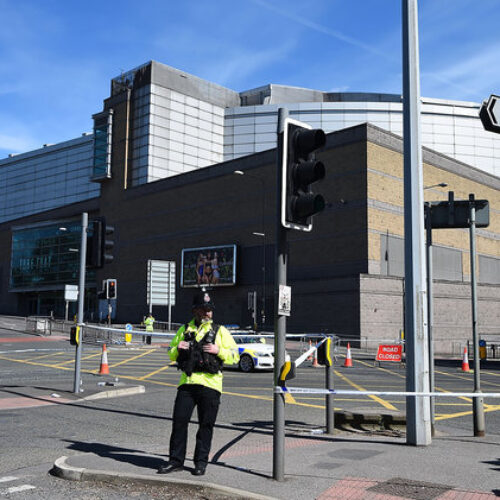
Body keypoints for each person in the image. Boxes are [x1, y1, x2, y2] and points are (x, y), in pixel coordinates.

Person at [158, 290, 239, 476]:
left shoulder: (220, 331)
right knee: (179, 423)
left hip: (211, 386)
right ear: (196, 311)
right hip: (187, 383)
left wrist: (219, 350)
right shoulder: (185, 329)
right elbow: (171, 352)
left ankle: (200, 463)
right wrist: (177, 349)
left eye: (210, 309)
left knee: (206, 425)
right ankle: (175, 461)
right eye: (205, 309)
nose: (209, 313)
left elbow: (235, 355)